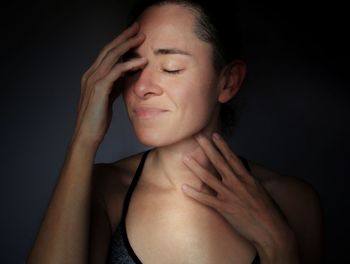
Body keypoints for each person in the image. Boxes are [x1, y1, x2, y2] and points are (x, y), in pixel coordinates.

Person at [26, 0, 324, 263]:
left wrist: (278, 245)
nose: (141, 88)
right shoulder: (105, 190)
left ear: (228, 82)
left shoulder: (292, 202)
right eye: (132, 69)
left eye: (170, 67)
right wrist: (83, 140)